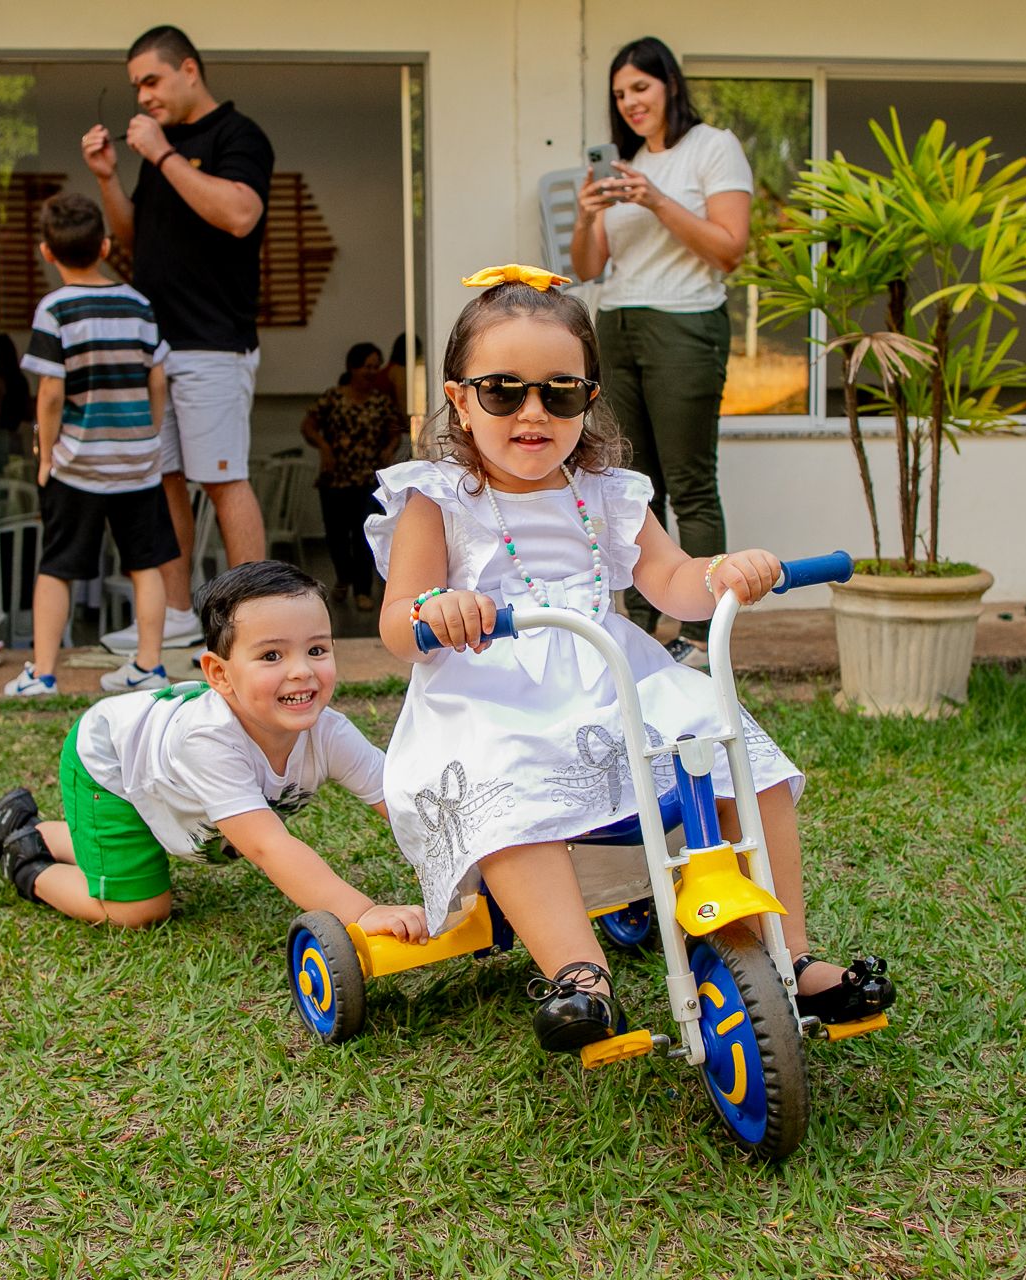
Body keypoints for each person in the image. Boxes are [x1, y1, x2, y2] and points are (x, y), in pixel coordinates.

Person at [367, 265, 894, 1052]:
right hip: (490, 689)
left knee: (737, 751)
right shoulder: (438, 497)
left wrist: (721, 574)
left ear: (589, 398)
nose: (534, 413)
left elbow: (673, 583)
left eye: (561, 392)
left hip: (609, 671)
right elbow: (396, 625)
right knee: (502, 781)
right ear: (458, 399)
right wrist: (436, 611)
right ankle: (580, 974)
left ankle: (790, 953)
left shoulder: (609, 492)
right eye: (504, 392)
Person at [0, 561, 429, 942]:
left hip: (156, 773)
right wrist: (363, 913)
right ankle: (24, 860)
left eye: (317, 650)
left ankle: (28, 828)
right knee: (139, 910)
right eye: (271, 656)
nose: (302, 671)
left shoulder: (329, 732)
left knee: (135, 856)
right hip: (111, 764)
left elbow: (401, 800)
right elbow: (267, 845)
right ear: (219, 675)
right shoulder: (209, 742)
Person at [82, 26, 275, 656]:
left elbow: (240, 213)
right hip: (156, 347)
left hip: (212, 342)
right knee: (162, 480)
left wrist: (163, 153)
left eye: (151, 80)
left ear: (188, 69)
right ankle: (174, 615)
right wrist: (111, 178)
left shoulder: (237, 136)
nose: (142, 96)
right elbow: (135, 240)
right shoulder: (157, 149)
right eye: (136, 84)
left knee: (222, 479)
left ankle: (258, 620)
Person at [570, 37, 753, 669]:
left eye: (640, 88)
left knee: (690, 482)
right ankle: (642, 628)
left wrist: (655, 199)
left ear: (669, 85)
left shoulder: (712, 147)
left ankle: (705, 635)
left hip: (685, 323)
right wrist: (589, 213)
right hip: (617, 322)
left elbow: (730, 248)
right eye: (620, 95)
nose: (630, 103)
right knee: (630, 486)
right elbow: (588, 267)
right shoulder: (618, 164)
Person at [4, 193, 176, 698]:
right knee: (146, 564)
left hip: (77, 463)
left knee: (57, 566)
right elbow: (159, 377)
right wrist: (150, 432)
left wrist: (45, 453)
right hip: (137, 462)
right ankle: (149, 666)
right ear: (104, 245)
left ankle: (42, 672)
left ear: (46, 252)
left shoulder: (53, 310)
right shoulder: (138, 304)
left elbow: (52, 392)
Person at [300, 342, 404, 610]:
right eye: (366, 366)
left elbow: (396, 431)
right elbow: (308, 425)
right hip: (335, 478)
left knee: (363, 536)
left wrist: (389, 450)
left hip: (367, 480)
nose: (371, 372)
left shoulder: (381, 401)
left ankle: (362, 590)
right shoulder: (333, 397)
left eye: (375, 367)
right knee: (336, 536)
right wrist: (324, 447)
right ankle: (343, 578)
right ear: (352, 367)